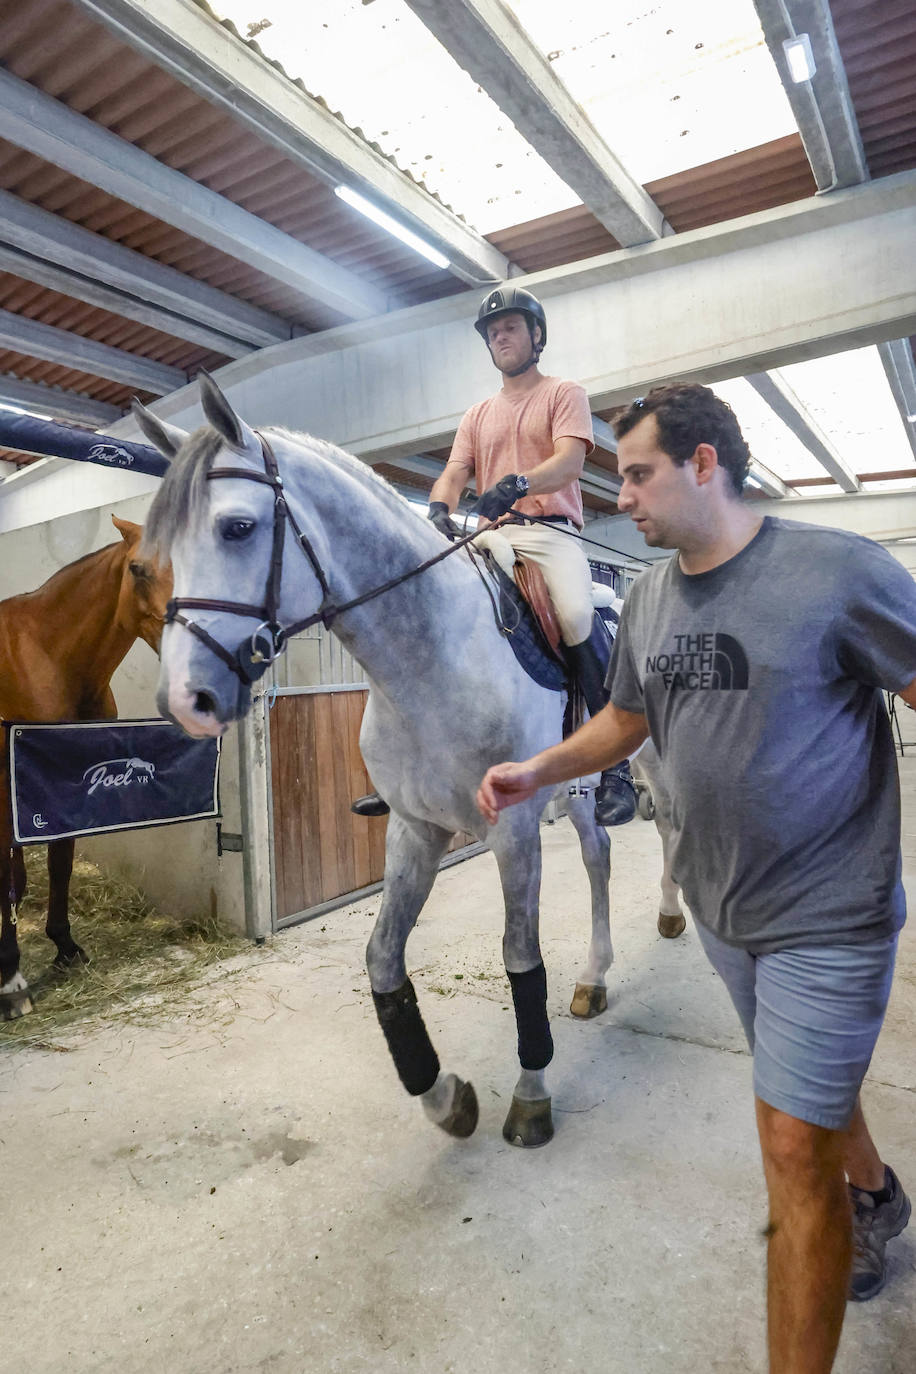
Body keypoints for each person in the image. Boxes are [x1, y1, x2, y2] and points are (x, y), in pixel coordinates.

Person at [476, 382, 914, 1374]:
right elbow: (626, 720)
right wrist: (537, 768)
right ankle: (879, 1194)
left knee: (789, 1149)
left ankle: (841, 1226)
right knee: (803, 1088)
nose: (620, 496)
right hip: (722, 910)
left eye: (638, 474)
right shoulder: (647, 598)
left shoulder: (836, 571)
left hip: (828, 914)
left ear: (703, 464)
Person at [353, 286, 637, 825]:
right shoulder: (477, 414)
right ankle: (402, 768)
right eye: (493, 332)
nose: (500, 337)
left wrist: (519, 483)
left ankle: (615, 765)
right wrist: (439, 509)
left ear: (536, 334)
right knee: (426, 610)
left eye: (510, 327)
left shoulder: (563, 393)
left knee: (576, 613)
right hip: (488, 536)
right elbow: (455, 472)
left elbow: (569, 462)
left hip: (549, 534)